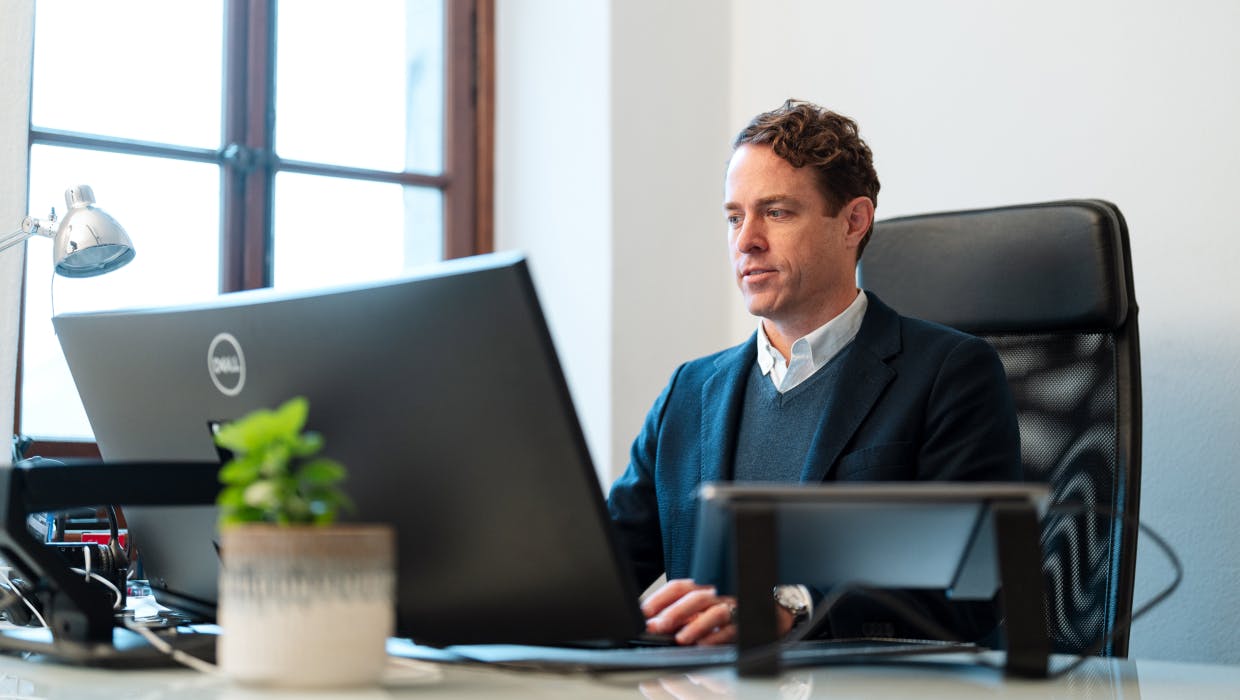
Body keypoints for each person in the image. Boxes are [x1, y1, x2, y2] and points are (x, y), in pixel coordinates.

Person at [606, 99, 1021, 646]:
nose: (746, 240)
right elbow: (600, 569)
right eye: (734, 217)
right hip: (698, 683)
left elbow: (971, 586)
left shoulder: (950, 374)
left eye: (776, 212)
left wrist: (793, 607)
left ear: (853, 221)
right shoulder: (689, 391)